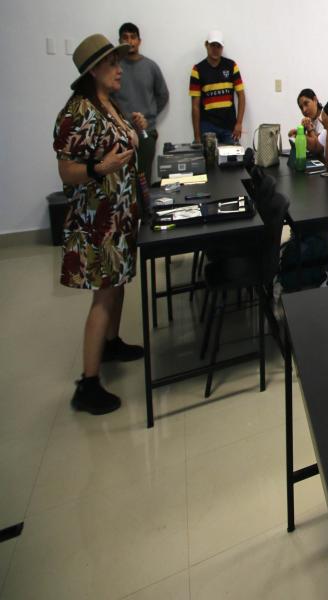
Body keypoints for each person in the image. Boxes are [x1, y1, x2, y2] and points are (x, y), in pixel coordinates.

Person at [54, 34, 147, 415]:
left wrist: (135, 128)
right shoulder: (77, 111)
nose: (120, 69)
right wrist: (98, 168)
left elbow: (123, 147)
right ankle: (87, 384)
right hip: (98, 220)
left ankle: (111, 343)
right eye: (113, 64)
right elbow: (66, 169)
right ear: (94, 69)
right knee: (104, 295)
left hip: (119, 215)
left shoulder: (108, 104)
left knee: (117, 284)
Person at [112, 22, 168, 185]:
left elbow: (163, 94)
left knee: (143, 179)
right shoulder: (114, 68)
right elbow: (107, 98)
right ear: (120, 41)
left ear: (139, 41)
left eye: (133, 37)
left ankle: (144, 212)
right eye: (125, 38)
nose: (130, 41)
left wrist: (150, 113)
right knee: (122, 181)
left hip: (146, 132)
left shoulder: (150, 67)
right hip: (120, 133)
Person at [189, 30, 245, 144]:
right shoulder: (197, 70)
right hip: (207, 127)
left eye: (218, 46)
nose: (215, 49)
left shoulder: (231, 66)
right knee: (210, 161)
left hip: (229, 127)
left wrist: (239, 123)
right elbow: (195, 106)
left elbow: (241, 96)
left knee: (232, 160)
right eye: (212, 45)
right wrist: (197, 137)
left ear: (222, 48)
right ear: (206, 45)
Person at [287, 88, 324, 154]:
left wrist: (306, 131)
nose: (304, 110)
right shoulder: (312, 119)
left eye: (306, 103)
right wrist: (300, 132)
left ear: (315, 100)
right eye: (301, 107)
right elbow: (312, 139)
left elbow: (316, 147)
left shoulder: (324, 117)